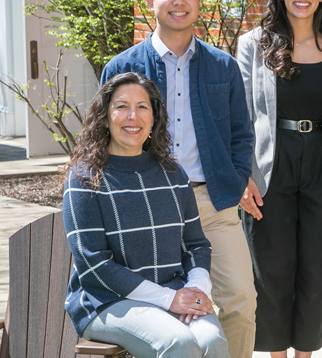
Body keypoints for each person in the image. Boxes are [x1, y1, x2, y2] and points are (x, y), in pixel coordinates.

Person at [100, 0, 257, 358]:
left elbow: (241, 133)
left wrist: (237, 177)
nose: (179, 1)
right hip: (149, 203)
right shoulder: (123, 67)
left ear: (200, 0)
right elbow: (106, 138)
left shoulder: (222, 65)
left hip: (212, 202)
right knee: (164, 308)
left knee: (240, 299)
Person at [235, 0, 322, 358]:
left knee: (315, 270)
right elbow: (242, 115)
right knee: (271, 270)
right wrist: (244, 174)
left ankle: (305, 354)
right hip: (272, 165)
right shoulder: (254, 43)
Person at [64, 72, 229, 358]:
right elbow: (93, 265)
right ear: (104, 117)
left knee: (212, 341)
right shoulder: (84, 179)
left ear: (154, 118)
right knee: (178, 343)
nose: (133, 116)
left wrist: (196, 291)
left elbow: (196, 245)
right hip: (106, 301)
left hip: (174, 291)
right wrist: (169, 299)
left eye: (142, 107)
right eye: (121, 106)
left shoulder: (174, 175)